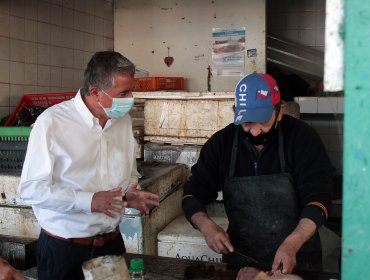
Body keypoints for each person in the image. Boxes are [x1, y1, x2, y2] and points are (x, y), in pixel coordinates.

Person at [18, 51, 160, 280]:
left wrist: (129, 193)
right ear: (95, 93)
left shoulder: (122, 121)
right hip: (65, 250)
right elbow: (31, 189)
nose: (131, 97)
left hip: (111, 245)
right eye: (123, 92)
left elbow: (128, 171)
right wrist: (90, 200)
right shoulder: (52, 123)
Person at [182, 72, 332, 275]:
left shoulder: (302, 139)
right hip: (242, 262)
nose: (254, 132)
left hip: (297, 259)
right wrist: (207, 226)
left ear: (279, 111)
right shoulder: (222, 144)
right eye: (247, 122)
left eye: (262, 121)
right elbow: (192, 195)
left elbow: (318, 201)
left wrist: (292, 243)